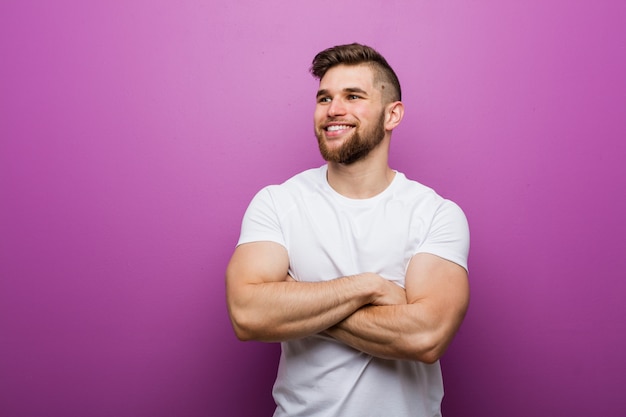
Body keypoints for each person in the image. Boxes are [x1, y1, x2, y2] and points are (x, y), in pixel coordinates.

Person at [226, 43, 470, 417]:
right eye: (324, 98)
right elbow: (247, 314)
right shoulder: (277, 202)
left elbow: (425, 336)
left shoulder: (436, 214)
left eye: (353, 96)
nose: (333, 110)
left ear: (393, 115)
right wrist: (369, 287)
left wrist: (296, 305)